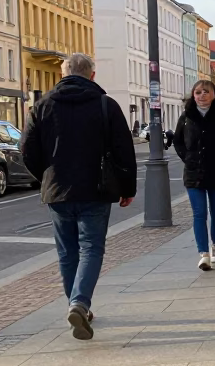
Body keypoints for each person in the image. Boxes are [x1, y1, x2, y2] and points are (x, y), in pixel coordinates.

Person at [20, 53, 137, 341]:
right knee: (92, 248)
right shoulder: (105, 105)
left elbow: (26, 150)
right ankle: (80, 302)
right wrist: (127, 188)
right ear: (92, 75)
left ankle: (77, 303)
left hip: (57, 190)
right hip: (96, 189)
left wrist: (46, 176)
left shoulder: (43, 105)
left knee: (67, 251)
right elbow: (124, 150)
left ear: (63, 73)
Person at [173, 80, 215, 272]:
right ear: (193, 95)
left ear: (213, 94)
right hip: (194, 173)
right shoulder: (187, 116)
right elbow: (177, 141)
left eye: (206, 92)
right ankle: (203, 253)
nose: (201, 95)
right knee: (199, 213)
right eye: (197, 92)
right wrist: (187, 157)